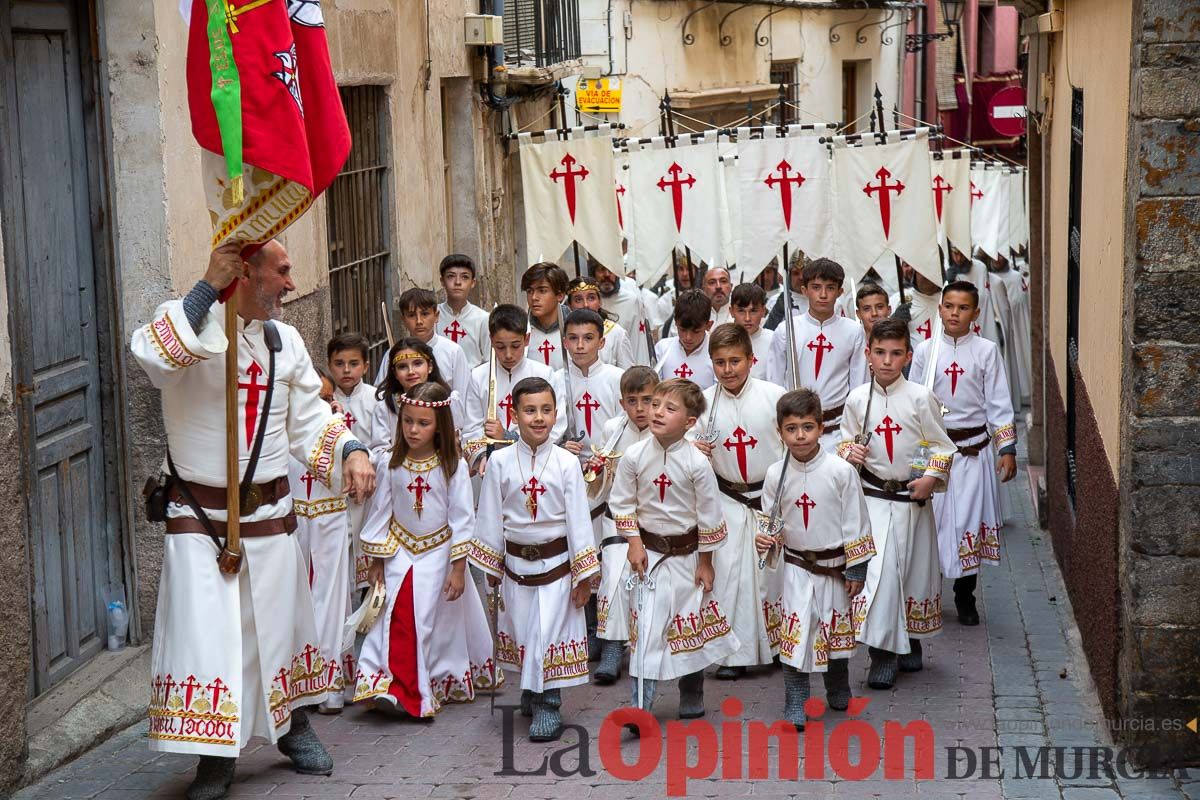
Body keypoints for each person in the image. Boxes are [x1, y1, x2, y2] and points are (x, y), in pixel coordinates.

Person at [131, 241, 376, 800]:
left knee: (279, 632)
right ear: (245, 272)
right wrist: (206, 286)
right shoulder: (188, 330)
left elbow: (310, 422)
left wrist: (350, 451)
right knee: (210, 638)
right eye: (283, 271)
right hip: (200, 519)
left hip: (270, 515)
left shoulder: (282, 340)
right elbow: (152, 357)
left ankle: (292, 726)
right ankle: (214, 756)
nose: (292, 283)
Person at [354, 382, 497, 717]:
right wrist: (376, 560)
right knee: (394, 613)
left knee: (430, 621)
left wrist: (458, 569)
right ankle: (388, 684)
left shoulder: (453, 467)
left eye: (423, 423)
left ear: (440, 426)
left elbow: (462, 519)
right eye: (407, 422)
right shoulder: (391, 462)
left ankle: (425, 680)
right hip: (401, 550)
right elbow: (382, 512)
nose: (413, 430)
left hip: (439, 552)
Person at [470, 377, 599, 742]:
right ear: (514, 415)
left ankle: (548, 705)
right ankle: (531, 689)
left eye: (546, 410)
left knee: (548, 636)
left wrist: (584, 575)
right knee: (526, 632)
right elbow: (491, 513)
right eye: (530, 411)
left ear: (556, 414)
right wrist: (492, 567)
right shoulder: (499, 462)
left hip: (557, 566)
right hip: (516, 567)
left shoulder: (565, 462)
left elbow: (578, 519)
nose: (538, 418)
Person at [610, 378, 738, 725]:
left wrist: (706, 562)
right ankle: (640, 708)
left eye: (670, 408)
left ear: (690, 421)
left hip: (687, 557)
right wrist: (634, 542)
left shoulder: (697, 463)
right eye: (655, 405)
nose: (657, 413)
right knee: (647, 629)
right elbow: (622, 502)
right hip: (648, 557)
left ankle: (692, 689)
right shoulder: (635, 456)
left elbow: (709, 514)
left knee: (688, 628)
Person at [838, 319, 956, 690]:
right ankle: (882, 656)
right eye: (879, 353)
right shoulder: (857, 399)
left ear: (907, 356)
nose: (887, 361)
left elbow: (942, 446)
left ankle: (910, 644)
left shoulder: (921, 398)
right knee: (880, 576)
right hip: (872, 501)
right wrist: (849, 453)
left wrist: (931, 479)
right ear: (867, 354)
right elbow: (843, 444)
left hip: (910, 500)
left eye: (895, 354)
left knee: (911, 574)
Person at [756, 389, 874, 730]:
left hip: (833, 568)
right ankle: (796, 698)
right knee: (797, 635)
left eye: (807, 427)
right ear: (780, 432)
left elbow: (856, 520)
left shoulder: (841, 472)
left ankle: (838, 685)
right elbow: (770, 518)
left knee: (833, 633)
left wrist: (857, 566)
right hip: (795, 567)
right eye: (791, 429)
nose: (800, 436)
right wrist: (766, 537)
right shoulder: (776, 474)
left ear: (821, 427)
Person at [911, 281, 1017, 626]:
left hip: (973, 452)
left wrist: (1007, 448)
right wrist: (914, 456)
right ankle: (929, 592)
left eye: (962, 308)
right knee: (932, 524)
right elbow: (912, 402)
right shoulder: (926, 351)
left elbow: (998, 401)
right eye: (949, 306)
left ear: (975, 313)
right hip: (935, 453)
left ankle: (965, 595)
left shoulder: (986, 351)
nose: (954, 313)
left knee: (968, 523)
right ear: (939, 309)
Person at [693, 324, 785, 679]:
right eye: (720, 362)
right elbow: (685, 450)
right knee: (731, 577)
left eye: (735, 361)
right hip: (727, 498)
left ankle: (778, 645)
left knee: (770, 578)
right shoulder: (702, 405)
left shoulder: (775, 396)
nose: (728, 370)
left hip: (767, 498)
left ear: (752, 359)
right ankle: (734, 655)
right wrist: (693, 450)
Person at [554, 308, 625, 660]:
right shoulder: (556, 379)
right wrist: (559, 446)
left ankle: (610, 631)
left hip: (610, 478)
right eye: (572, 338)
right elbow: (547, 427)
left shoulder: (616, 379)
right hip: (571, 476)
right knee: (582, 550)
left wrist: (608, 456)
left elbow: (628, 426)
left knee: (609, 552)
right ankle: (587, 628)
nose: (580, 346)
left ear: (602, 340)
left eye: (588, 338)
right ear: (563, 340)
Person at [288, 365, 356, 715]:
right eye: (317, 399)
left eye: (329, 398)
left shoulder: (340, 429)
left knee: (330, 599)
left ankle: (329, 683)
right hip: (294, 520)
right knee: (297, 599)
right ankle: (299, 682)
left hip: (329, 519)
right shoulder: (286, 430)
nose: (325, 405)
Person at [587, 366, 659, 684]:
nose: (641, 409)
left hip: (655, 525)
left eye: (648, 400)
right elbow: (601, 488)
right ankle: (613, 649)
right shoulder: (613, 430)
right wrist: (598, 471)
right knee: (613, 580)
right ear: (621, 403)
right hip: (617, 522)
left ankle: (648, 649)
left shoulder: (665, 429)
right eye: (633, 401)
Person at [767, 258, 869, 448]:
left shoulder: (854, 331)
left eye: (830, 288)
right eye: (816, 287)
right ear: (805, 290)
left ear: (840, 292)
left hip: (838, 431)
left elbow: (859, 387)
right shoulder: (786, 330)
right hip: (796, 431)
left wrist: (854, 433)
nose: (823, 295)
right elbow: (775, 385)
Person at [462, 305, 565, 472]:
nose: (508, 355)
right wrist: (482, 456)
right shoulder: (479, 376)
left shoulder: (544, 374)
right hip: (491, 463)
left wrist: (511, 440)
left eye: (515, 346)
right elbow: (471, 428)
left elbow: (557, 425)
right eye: (500, 347)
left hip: (536, 463)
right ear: (491, 340)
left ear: (526, 339)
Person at [328, 332, 380, 590]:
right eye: (339, 363)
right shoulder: (323, 400)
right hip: (335, 486)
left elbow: (383, 442)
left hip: (368, 486)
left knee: (366, 541)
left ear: (366, 366)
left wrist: (368, 463)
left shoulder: (375, 399)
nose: (346, 370)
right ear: (329, 365)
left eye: (354, 363)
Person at [368, 337, 463, 462]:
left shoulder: (448, 402)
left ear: (430, 366)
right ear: (395, 373)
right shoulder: (384, 408)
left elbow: (455, 447)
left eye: (417, 363)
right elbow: (379, 454)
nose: (411, 371)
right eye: (402, 367)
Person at [375, 288, 470, 398]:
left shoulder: (453, 352)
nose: (419, 321)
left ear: (436, 316)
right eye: (411, 315)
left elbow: (463, 396)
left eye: (425, 314)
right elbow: (381, 395)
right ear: (403, 319)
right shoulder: (392, 355)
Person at [593, 260, 654, 366]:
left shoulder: (631, 301)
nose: (607, 275)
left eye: (611, 270)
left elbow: (638, 343)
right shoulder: (589, 303)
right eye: (602, 270)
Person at [566, 276, 635, 369]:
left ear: (599, 302)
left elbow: (628, 376)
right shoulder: (563, 333)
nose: (585, 305)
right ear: (569, 305)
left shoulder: (616, 333)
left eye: (591, 298)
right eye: (578, 300)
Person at [655, 289, 716, 390]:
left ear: (708, 325)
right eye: (682, 330)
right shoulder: (662, 348)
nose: (688, 337)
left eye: (696, 331)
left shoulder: (716, 353)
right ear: (675, 322)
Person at [437, 254, 490, 368]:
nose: (457, 282)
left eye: (465, 277)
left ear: (473, 282)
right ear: (442, 281)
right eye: (451, 276)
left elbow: (488, 359)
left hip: (473, 380)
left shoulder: (483, 318)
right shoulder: (433, 315)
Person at [522, 262, 569, 370]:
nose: (534, 297)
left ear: (560, 295)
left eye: (542, 291)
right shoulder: (520, 329)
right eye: (530, 291)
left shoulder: (575, 328)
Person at [729, 282, 773, 380]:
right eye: (741, 311)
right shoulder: (723, 340)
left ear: (763, 311)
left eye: (753, 311)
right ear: (731, 311)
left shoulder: (773, 340)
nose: (747, 318)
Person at [890, 269, 942, 344]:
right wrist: (892, 323)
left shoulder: (949, 299)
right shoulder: (899, 299)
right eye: (921, 271)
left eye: (929, 271)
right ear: (914, 274)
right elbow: (878, 336)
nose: (925, 276)